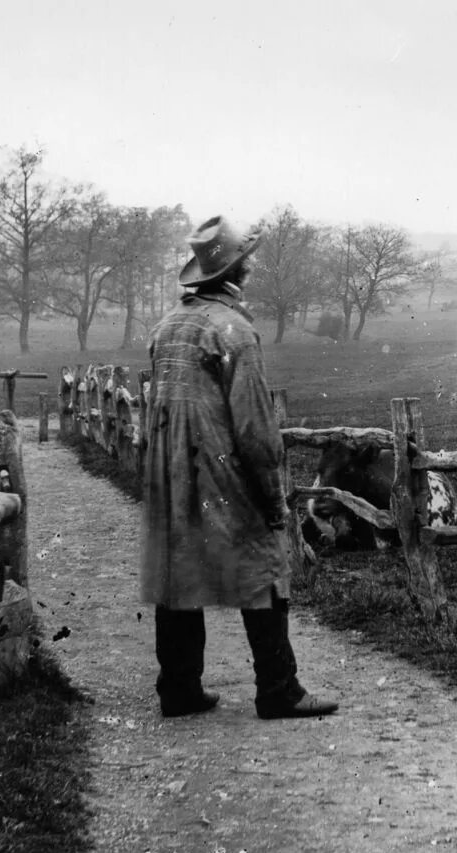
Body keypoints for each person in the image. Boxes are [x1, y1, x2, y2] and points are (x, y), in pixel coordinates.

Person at [141, 214, 338, 719]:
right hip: (222, 470)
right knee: (265, 565)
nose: (250, 267)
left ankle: (179, 689)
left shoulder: (167, 327)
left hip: (170, 472)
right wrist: (274, 498)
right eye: (245, 261)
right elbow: (254, 429)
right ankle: (279, 689)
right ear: (235, 273)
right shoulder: (235, 331)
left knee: (178, 569)